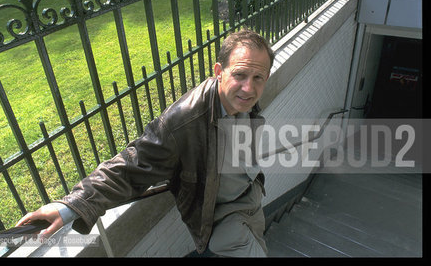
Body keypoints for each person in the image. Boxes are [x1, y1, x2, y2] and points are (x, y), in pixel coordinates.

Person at [17, 29, 274, 257]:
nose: (249, 88)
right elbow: (131, 166)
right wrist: (70, 206)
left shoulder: (243, 100)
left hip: (252, 201)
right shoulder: (183, 121)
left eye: (258, 78)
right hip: (225, 219)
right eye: (240, 74)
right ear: (219, 72)